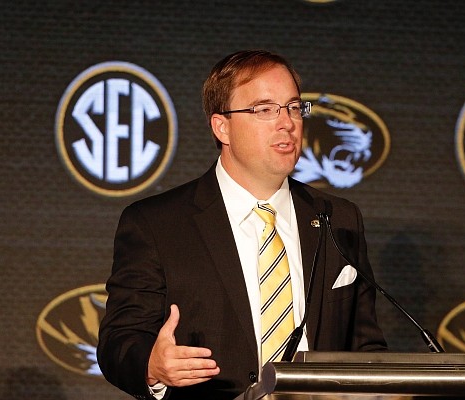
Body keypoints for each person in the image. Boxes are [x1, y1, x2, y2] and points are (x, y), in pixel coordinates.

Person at [97, 49, 387, 400]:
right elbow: (120, 341)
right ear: (222, 127)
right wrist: (152, 366)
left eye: (294, 108)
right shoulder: (156, 224)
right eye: (265, 110)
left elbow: (365, 345)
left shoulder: (339, 217)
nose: (287, 123)